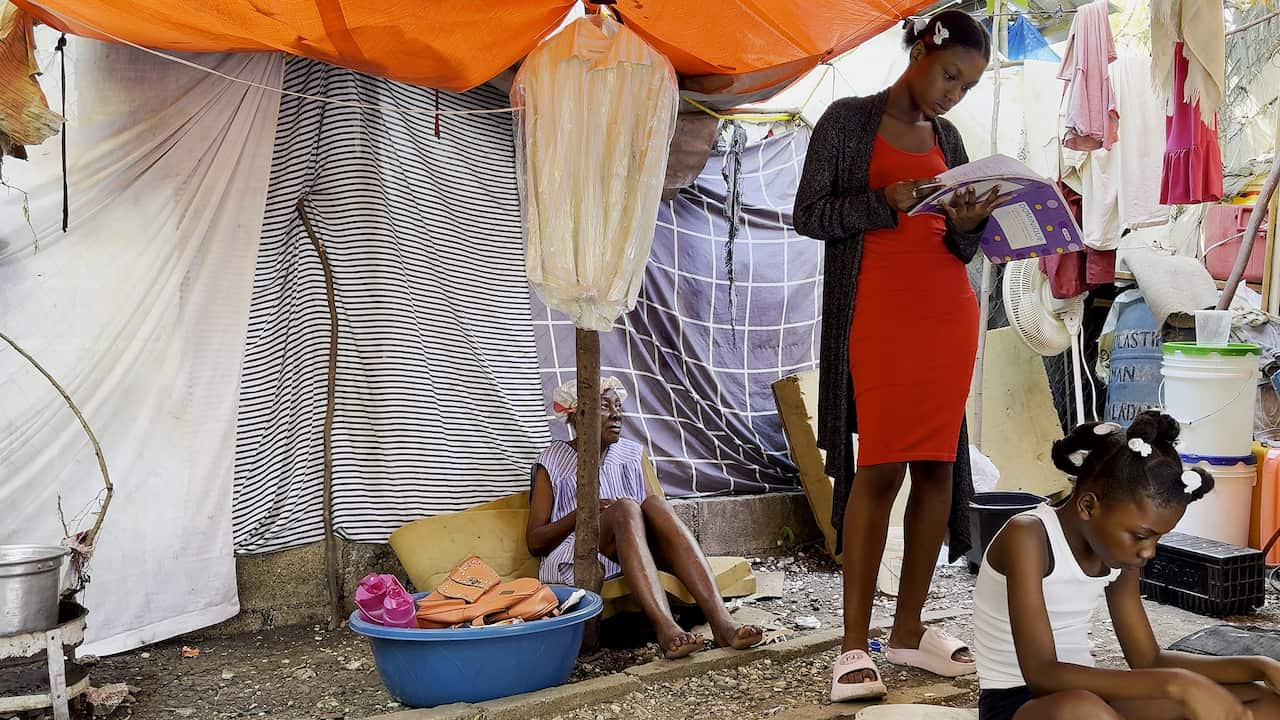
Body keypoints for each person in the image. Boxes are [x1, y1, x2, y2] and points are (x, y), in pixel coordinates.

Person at [791, 10, 1003, 702]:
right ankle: (854, 647)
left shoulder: (950, 137)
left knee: (938, 470)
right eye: (950, 75)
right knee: (878, 470)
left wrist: (968, 223)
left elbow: (962, 247)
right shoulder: (846, 122)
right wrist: (883, 201)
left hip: (947, 314)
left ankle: (908, 630)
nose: (953, 94)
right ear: (919, 49)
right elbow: (811, 215)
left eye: (967, 86)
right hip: (875, 315)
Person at [974, 411, 1280, 720]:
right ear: (1088, 506)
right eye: (1141, 536)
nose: (1148, 552)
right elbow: (1043, 675)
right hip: (1021, 704)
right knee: (1083, 710)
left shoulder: (1119, 554)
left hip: (1090, 696)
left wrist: (1259, 666)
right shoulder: (1028, 536)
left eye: (1157, 539)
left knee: (1259, 698)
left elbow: (1148, 659)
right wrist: (1178, 685)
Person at [526, 377, 764, 660]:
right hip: (574, 556)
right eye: (605, 406)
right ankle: (666, 629)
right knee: (626, 508)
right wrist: (583, 515)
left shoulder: (632, 453)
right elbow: (535, 541)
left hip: (631, 551)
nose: (616, 414)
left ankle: (723, 623)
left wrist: (625, 512)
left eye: (618, 407)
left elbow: (651, 517)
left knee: (654, 505)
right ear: (578, 414)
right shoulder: (552, 459)